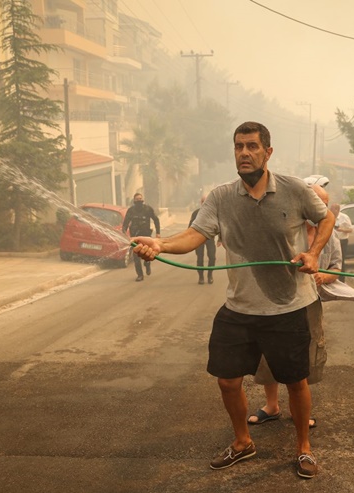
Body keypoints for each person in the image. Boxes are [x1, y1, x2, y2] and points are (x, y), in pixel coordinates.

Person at [132, 121, 334, 479]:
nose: (244, 153)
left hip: (289, 306)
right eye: (239, 146)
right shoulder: (222, 197)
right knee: (227, 380)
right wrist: (160, 244)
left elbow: (326, 217)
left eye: (252, 146)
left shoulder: (294, 190)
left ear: (267, 152)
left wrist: (314, 252)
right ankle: (243, 443)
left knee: (295, 381)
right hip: (240, 307)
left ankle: (303, 448)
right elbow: (196, 234)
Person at [248, 184, 341, 429]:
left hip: (309, 303)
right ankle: (271, 405)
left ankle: (299, 410)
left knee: (305, 355)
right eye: (315, 203)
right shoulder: (286, 228)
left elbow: (337, 270)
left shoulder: (330, 235)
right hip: (275, 301)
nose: (318, 209)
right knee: (269, 352)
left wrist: (323, 276)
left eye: (323, 205)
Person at [122, 193, 160, 282]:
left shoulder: (148, 209)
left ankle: (147, 264)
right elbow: (125, 223)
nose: (139, 200)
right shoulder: (131, 210)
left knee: (147, 253)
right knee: (136, 257)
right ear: (134, 201)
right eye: (137, 199)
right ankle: (140, 275)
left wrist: (158, 232)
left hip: (146, 236)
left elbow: (156, 219)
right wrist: (124, 232)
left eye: (140, 199)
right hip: (135, 237)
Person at [189, 195, 216, 285]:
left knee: (212, 258)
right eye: (203, 201)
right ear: (201, 203)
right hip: (198, 239)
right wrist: (190, 240)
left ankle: (210, 275)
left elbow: (219, 225)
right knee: (200, 258)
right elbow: (190, 227)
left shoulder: (214, 212)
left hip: (210, 238)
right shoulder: (196, 213)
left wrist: (221, 239)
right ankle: (201, 277)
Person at [330, 203, 353, 278]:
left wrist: (341, 229)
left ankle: (342, 279)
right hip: (332, 241)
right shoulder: (330, 216)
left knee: (341, 261)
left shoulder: (344, 217)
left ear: (337, 210)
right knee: (332, 261)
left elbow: (350, 229)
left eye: (332, 209)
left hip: (342, 241)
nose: (330, 210)